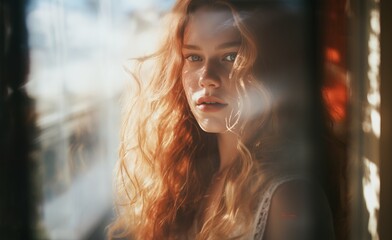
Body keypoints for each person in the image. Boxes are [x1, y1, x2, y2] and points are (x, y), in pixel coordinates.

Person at [108, 0, 338, 239]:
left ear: (267, 67)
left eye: (230, 57)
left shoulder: (288, 198)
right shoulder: (189, 178)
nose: (207, 78)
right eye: (194, 57)